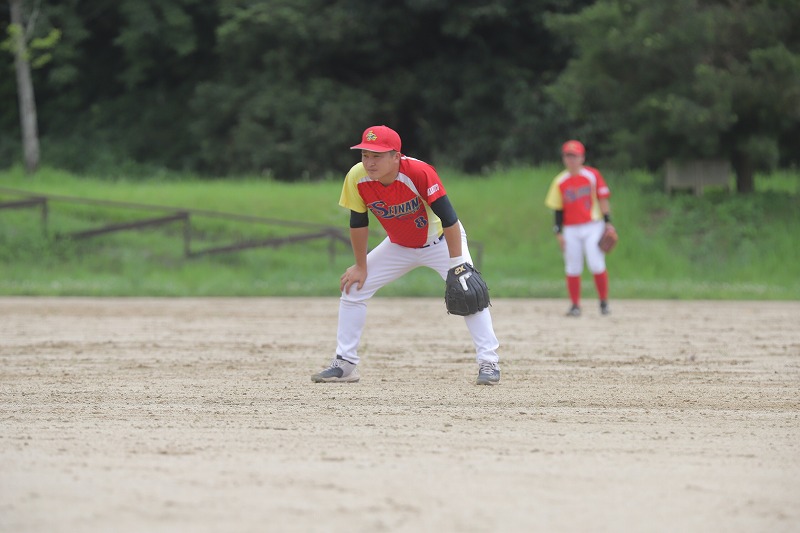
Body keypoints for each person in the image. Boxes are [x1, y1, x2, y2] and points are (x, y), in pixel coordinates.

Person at [311, 125, 501, 385]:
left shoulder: (419, 172)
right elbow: (358, 223)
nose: (369, 162)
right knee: (353, 288)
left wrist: (457, 264)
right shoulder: (357, 177)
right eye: (365, 155)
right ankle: (345, 364)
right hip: (399, 245)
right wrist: (360, 265)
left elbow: (450, 219)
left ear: (396, 156)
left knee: (469, 293)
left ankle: (489, 363)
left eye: (377, 156)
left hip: (441, 242)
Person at [544, 140, 614, 317]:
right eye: (568, 156)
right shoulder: (560, 181)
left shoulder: (592, 175)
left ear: (582, 158)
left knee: (596, 263)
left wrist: (608, 223)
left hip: (593, 225)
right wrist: (558, 232)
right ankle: (575, 305)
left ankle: (604, 302)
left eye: (574, 156)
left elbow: (603, 198)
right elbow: (558, 208)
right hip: (571, 229)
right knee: (572, 266)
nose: (571, 160)